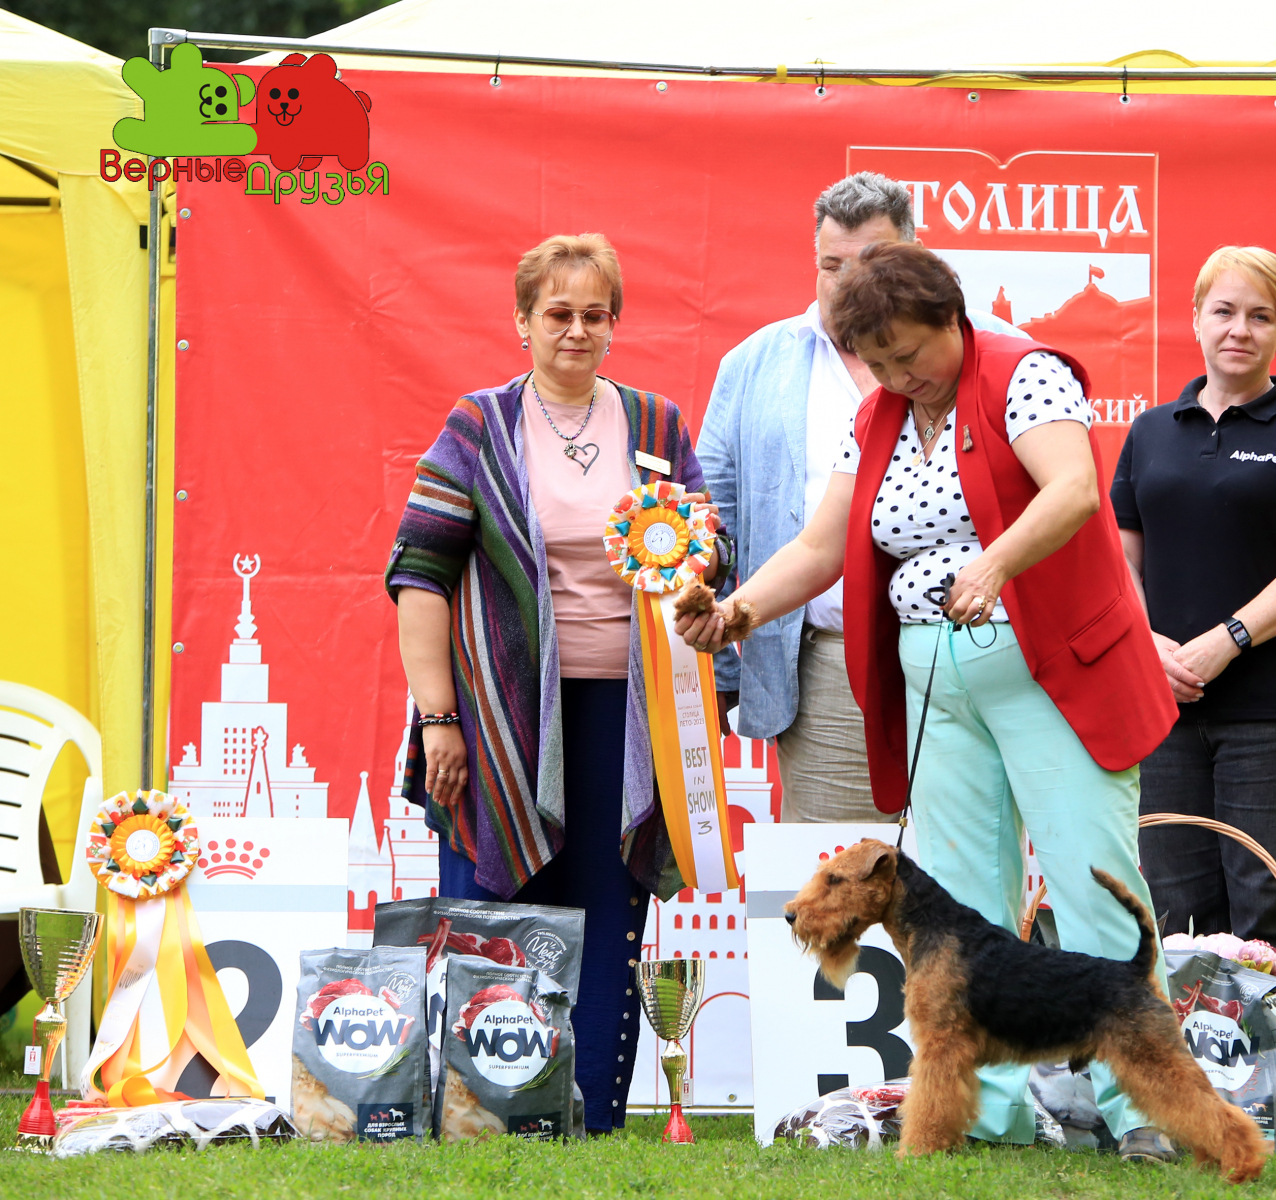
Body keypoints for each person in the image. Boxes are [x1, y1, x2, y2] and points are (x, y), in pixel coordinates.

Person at [680, 241, 1183, 1161]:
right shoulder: (876, 417)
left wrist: (995, 562)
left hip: (1049, 668)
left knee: (1088, 877)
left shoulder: (1023, 375)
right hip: (935, 682)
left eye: (909, 354)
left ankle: (1139, 1110)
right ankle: (989, 1113)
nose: (896, 377)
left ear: (953, 318)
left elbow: (1075, 490)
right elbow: (822, 546)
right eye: (876, 363)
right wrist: (738, 609)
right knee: (960, 896)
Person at [385, 233, 722, 1133]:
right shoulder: (479, 424)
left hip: (629, 715)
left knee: (611, 906)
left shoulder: (656, 424)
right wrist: (438, 718)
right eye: (559, 313)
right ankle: (486, 1108)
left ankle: (596, 1114)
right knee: (498, 903)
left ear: (615, 324)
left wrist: (701, 565)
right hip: (502, 716)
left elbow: (707, 543)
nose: (577, 330)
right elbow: (419, 572)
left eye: (595, 314)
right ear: (523, 322)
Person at [698, 172, 1021, 823]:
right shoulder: (752, 364)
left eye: (869, 262)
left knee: (971, 856)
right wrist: (724, 639)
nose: (847, 284)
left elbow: (1064, 498)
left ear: (916, 258)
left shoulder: (998, 352)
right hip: (828, 666)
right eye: (831, 265)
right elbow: (718, 520)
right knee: (839, 865)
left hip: (979, 651)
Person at [1111, 245, 1276, 1089]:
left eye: (1260, 315)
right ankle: (1184, 1096)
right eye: (1223, 311)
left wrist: (1228, 639)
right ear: (1195, 320)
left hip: (1274, 714)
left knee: (1264, 908)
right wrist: (1147, 644)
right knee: (1175, 907)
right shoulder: (1150, 433)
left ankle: (1256, 1099)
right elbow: (1119, 562)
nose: (1239, 329)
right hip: (1164, 709)